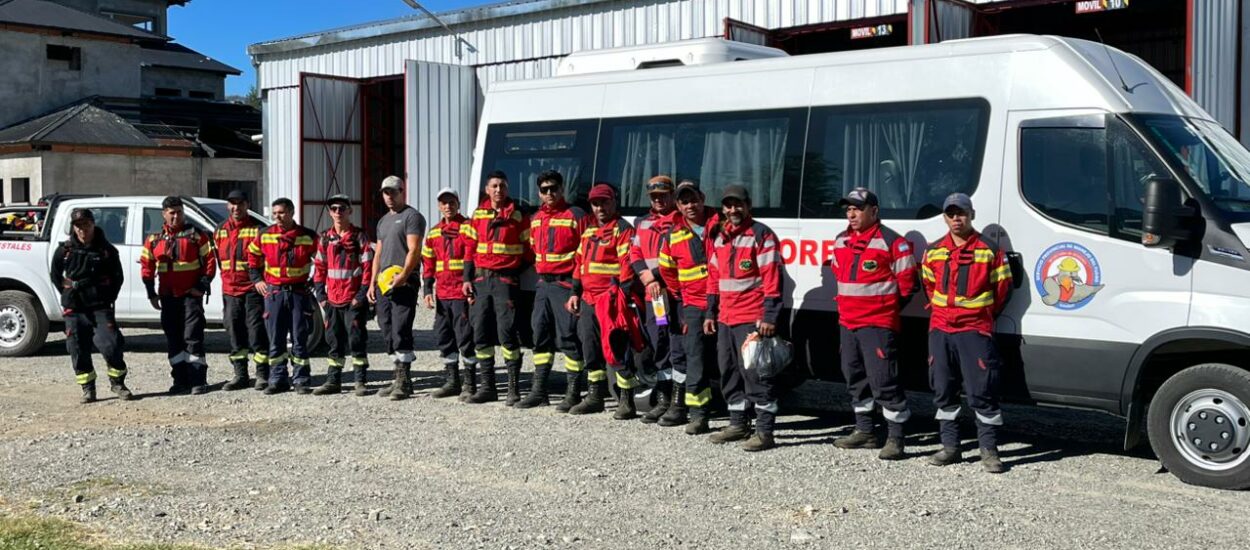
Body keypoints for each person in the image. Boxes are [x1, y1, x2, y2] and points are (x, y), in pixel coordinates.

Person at [922, 193, 1013, 473]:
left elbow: (1002, 290)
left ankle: (989, 451)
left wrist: (980, 315)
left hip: (975, 330)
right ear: (944, 217)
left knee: (982, 391)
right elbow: (928, 284)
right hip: (940, 328)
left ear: (971, 214)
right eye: (950, 214)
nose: (956, 218)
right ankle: (950, 447)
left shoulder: (989, 250)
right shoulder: (934, 250)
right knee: (943, 389)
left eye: (961, 213)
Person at [829, 188, 918, 460]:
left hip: (877, 324)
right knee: (854, 377)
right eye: (848, 209)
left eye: (858, 208)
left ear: (874, 211)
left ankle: (896, 438)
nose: (852, 214)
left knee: (884, 380)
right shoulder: (840, 240)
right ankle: (865, 431)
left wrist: (883, 310)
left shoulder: (894, 242)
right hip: (848, 323)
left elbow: (907, 286)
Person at [703, 184, 783, 452]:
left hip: (752, 317)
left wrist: (769, 316)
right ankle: (738, 423)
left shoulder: (761, 235)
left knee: (757, 374)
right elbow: (713, 279)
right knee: (728, 371)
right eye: (728, 205)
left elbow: (773, 279)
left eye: (738, 204)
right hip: (725, 317)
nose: (733, 210)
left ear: (748, 206)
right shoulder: (721, 237)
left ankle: (765, 431)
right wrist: (709, 312)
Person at [566, 183, 642, 418]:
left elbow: (626, 267)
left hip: (610, 300)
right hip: (588, 299)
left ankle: (626, 401)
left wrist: (622, 297)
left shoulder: (622, 229)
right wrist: (574, 293)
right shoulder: (589, 231)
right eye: (595, 203)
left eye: (604, 202)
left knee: (617, 349)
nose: (600, 207)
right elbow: (579, 264)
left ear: (613, 203)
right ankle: (595, 396)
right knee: (590, 348)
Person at [517, 170, 588, 409]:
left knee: (568, 337)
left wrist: (577, 289)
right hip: (543, 285)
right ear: (539, 192)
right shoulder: (536, 218)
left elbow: (585, 254)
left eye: (554, 188)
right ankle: (539, 391)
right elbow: (534, 249)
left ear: (562, 189)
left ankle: (574, 393)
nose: (550, 193)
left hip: (565, 284)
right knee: (540, 335)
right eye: (545, 189)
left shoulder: (575, 214)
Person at [460, 170, 531, 405]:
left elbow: (529, 249)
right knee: (480, 332)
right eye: (494, 186)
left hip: (505, 281)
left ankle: (513, 389)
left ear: (507, 189)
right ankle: (488, 387)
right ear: (487, 190)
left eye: (502, 185)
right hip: (481, 282)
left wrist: (512, 272)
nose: (498, 190)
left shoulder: (518, 216)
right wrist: (467, 279)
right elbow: (469, 250)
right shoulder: (478, 215)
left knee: (507, 333)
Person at [656, 180, 720, 433]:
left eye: (693, 199)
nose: (690, 205)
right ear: (678, 206)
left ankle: (741, 414)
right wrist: (680, 294)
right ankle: (699, 415)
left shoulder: (722, 224)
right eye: (684, 202)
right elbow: (667, 270)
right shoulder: (673, 234)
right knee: (695, 360)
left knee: (730, 360)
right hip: (693, 303)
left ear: (702, 198)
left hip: (725, 302)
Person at [51, 208, 130, 404]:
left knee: (110, 345)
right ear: (73, 227)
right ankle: (88, 388)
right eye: (78, 226)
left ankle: (117, 382)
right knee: (76, 348)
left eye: (86, 224)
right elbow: (55, 275)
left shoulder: (107, 250)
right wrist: (68, 294)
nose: (82, 229)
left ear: (93, 224)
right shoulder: (65, 250)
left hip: (100, 307)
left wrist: (105, 297)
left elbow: (117, 278)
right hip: (75, 309)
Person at [140, 196, 216, 395]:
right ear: (164, 214)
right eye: (172, 213)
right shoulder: (154, 239)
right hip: (168, 297)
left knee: (193, 337)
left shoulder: (196, 235)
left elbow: (209, 262)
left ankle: (198, 380)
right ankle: (180, 380)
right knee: (174, 339)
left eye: (179, 212)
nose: (176, 216)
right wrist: (151, 293)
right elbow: (147, 267)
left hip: (191, 296)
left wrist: (201, 286)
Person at [630, 175, 687, 423]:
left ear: (672, 195)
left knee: (678, 344)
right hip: (654, 294)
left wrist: (656, 276)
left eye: (664, 195)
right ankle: (663, 399)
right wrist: (649, 279)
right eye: (654, 197)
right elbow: (635, 253)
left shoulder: (681, 220)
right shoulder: (642, 222)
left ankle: (679, 401)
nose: (659, 200)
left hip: (677, 292)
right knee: (659, 341)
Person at [248, 198, 319, 395]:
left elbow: (322, 261)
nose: (277, 217)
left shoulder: (307, 236)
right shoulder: (265, 235)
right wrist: (257, 280)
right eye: (275, 213)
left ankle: (301, 379)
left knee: (299, 337)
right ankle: (277, 379)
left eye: (281, 212)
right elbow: (252, 258)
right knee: (276, 338)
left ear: (292, 212)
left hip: (298, 293)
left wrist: (313, 281)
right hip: (274, 293)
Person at [367, 175, 427, 401]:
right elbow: (378, 254)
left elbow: (414, 249)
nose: (390, 196)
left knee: (401, 328)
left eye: (394, 191)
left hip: (404, 282)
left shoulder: (412, 217)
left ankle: (404, 381)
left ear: (403, 191)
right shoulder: (383, 221)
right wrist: (372, 282)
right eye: (386, 192)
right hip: (384, 284)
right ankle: (397, 376)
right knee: (387, 328)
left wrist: (403, 276)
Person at [313, 194, 373, 396]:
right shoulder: (324, 238)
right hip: (332, 301)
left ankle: (360, 381)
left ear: (350, 210)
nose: (338, 212)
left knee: (356, 339)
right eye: (334, 208)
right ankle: (333, 380)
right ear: (330, 212)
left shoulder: (359, 236)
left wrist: (361, 295)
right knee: (333, 340)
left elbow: (368, 267)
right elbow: (320, 269)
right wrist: (321, 297)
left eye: (342, 208)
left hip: (353, 300)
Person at [421, 187, 477, 400]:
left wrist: (468, 282)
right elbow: (428, 262)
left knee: (465, 337)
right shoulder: (434, 232)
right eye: (443, 203)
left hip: (461, 293)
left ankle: (470, 383)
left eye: (451, 202)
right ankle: (452, 381)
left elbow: (471, 256)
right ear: (438, 206)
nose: (447, 206)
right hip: (442, 293)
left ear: (458, 204)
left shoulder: (467, 227)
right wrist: (427, 289)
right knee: (444, 336)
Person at [214, 190, 270, 391]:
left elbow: (267, 259)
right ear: (228, 206)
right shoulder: (220, 230)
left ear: (247, 205)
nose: (236, 207)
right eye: (232, 203)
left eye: (240, 203)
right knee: (234, 332)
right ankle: (241, 375)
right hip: (230, 290)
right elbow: (219, 260)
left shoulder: (258, 229)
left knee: (257, 332)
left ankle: (263, 375)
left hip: (252, 290)